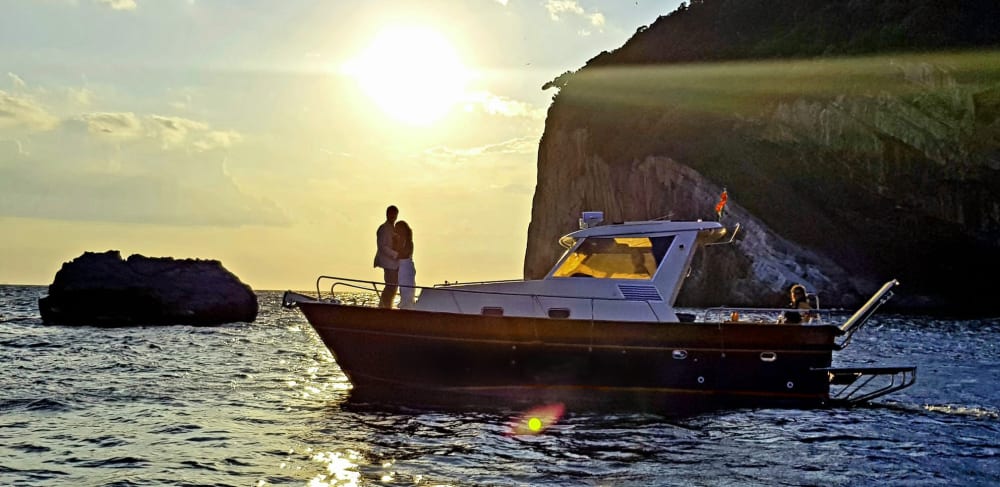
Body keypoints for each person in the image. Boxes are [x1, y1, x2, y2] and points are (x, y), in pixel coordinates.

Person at [374, 205, 399, 308]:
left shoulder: (393, 228)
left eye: (395, 214)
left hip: (394, 263)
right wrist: (395, 254)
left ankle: (386, 306)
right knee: (390, 286)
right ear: (387, 214)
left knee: (393, 286)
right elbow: (382, 247)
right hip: (388, 263)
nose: (393, 216)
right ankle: (383, 307)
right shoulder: (383, 228)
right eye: (391, 214)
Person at [394, 220, 416, 309]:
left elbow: (405, 254)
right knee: (403, 288)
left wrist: (397, 253)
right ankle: (405, 305)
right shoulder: (400, 240)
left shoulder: (408, 242)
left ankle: (407, 306)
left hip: (406, 266)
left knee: (407, 287)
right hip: (402, 267)